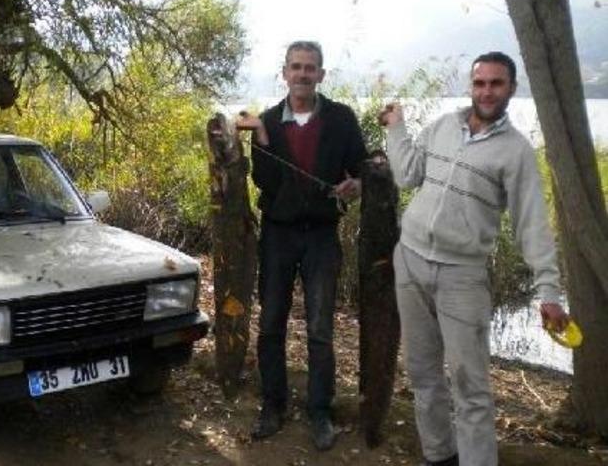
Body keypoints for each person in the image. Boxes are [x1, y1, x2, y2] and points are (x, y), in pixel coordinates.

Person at [379, 51, 570, 466]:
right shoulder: (445, 125)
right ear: (471, 85)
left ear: (511, 89)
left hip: (463, 276)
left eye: (496, 83)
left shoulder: (516, 151)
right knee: (423, 374)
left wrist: (548, 291)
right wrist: (397, 130)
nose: (486, 91)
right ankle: (438, 455)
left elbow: (531, 223)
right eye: (479, 82)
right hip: (409, 261)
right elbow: (408, 173)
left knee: (472, 387)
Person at [236, 40, 367, 451]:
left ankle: (320, 412)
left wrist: (356, 186)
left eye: (310, 68)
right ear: (285, 72)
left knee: (320, 329)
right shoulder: (270, 121)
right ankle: (273, 406)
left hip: (323, 237)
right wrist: (260, 136)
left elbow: (362, 171)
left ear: (321, 75)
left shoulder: (342, 118)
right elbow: (266, 183)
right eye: (296, 67)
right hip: (278, 235)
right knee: (271, 321)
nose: (303, 74)